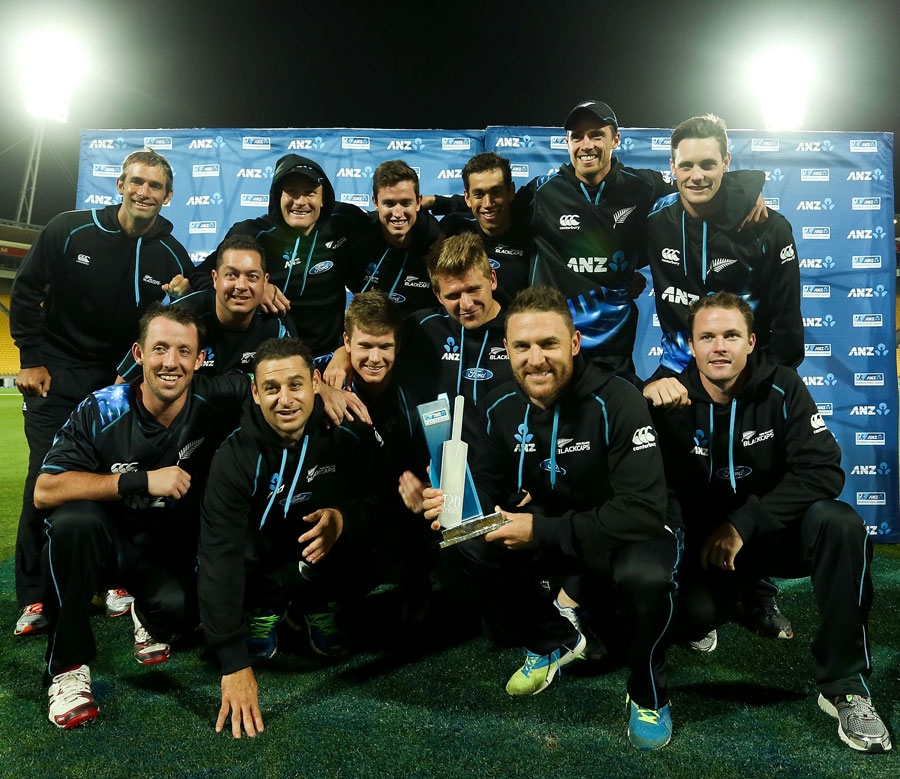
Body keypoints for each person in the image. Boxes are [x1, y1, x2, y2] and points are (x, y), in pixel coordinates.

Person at [423, 286, 681, 751]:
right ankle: (551, 639)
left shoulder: (618, 399)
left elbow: (643, 511)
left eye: (548, 344)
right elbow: (488, 489)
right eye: (521, 347)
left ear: (575, 344)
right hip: (548, 530)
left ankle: (648, 692)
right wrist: (453, 505)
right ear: (507, 350)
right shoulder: (498, 405)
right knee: (458, 543)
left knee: (645, 576)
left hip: (624, 533)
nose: (535, 359)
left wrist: (540, 529)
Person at [650, 292, 892, 754]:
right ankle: (735, 602)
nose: (719, 346)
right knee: (687, 619)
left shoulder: (783, 385)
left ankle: (845, 686)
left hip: (771, 534)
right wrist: (640, 395)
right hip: (706, 550)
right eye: (707, 337)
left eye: (731, 336)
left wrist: (743, 523)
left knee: (840, 524)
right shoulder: (667, 397)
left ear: (751, 342)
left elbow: (824, 469)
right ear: (692, 345)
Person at [37, 304, 248, 730]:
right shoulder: (103, 409)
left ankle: (146, 616)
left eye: (184, 351)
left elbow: (277, 382)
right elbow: (45, 490)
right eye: (160, 349)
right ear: (138, 354)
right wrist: (139, 481)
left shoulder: (216, 398)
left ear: (200, 359)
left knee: (182, 613)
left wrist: (330, 384)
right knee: (73, 522)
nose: (171, 362)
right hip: (105, 549)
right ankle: (68, 667)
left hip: (163, 552)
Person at [10, 149, 194, 636]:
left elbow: (169, 321)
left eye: (155, 187)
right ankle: (34, 597)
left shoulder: (172, 255)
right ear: (119, 183)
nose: (144, 192)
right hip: (59, 374)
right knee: (44, 478)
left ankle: (110, 579)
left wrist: (176, 296)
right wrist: (30, 359)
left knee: (116, 476)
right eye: (136, 182)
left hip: (120, 381)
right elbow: (27, 291)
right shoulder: (69, 229)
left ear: (167, 195)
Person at [642, 114, 801, 640]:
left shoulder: (768, 226)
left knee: (754, 480)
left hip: (746, 381)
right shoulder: (656, 221)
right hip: (678, 375)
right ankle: (691, 585)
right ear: (671, 168)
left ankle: (757, 592)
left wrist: (765, 389)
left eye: (709, 163)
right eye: (685, 164)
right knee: (684, 481)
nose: (696, 174)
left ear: (726, 164)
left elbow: (785, 321)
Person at [197, 338, 384, 739]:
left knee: (374, 543)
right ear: (255, 391)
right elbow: (218, 554)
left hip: (317, 553)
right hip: (260, 561)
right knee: (237, 553)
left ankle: (316, 605)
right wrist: (232, 661)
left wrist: (345, 518)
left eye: (296, 385)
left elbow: (385, 500)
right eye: (272, 388)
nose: (285, 400)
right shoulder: (233, 457)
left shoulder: (346, 432)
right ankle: (263, 610)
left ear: (316, 382)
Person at [184, 154, 365, 361]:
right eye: (292, 192)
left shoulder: (345, 221)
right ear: (278, 196)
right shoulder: (253, 233)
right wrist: (255, 291)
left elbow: (386, 222)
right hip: (271, 357)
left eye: (310, 193)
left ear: (323, 199)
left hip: (330, 356)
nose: (300, 202)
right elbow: (200, 275)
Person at [118, 234, 295, 382]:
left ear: (265, 282)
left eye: (252, 276)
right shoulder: (180, 316)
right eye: (231, 275)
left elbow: (297, 379)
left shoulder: (277, 323)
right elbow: (122, 383)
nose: (241, 285)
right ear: (215, 279)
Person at [344, 160, 443, 314]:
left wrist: (438, 201)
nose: (398, 214)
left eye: (405, 203)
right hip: (373, 332)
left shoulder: (437, 242)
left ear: (418, 202)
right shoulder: (359, 235)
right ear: (375, 203)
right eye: (389, 204)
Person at [437, 152, 532, 296]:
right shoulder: (453, 227)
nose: (488, 204)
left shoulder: (533, 236)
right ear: (467, 198)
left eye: (496, 192)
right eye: (479, 194)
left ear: (511, 191)